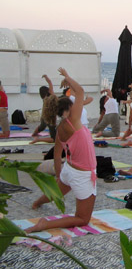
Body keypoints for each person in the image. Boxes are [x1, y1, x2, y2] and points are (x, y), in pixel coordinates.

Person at [25, 68, 97, 233]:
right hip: (81, 174)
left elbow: (57, 156)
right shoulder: (74, 121)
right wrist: (67, 77)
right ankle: (44, 224)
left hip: (69, 169)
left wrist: (59, 176)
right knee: (83, 219)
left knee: (56, 192)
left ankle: (37, 202)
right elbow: (80, 91)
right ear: (69, 109)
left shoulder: (60, 128)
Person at [31, 75, 57, 143]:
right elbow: (50, 83)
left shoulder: (44, 98)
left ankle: (34, 134)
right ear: (47, 90)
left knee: (42, 127)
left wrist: (46, 77)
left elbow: (50, 83)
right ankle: (38, 139)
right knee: (54, 139)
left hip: (44, 115)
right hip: (50, 117)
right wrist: (46, 77)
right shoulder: (51, 95)